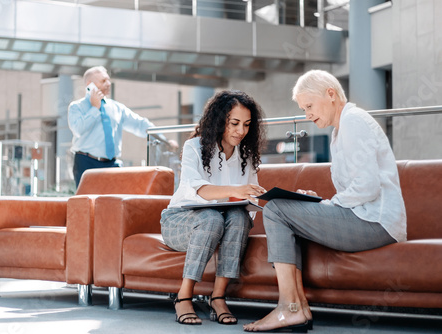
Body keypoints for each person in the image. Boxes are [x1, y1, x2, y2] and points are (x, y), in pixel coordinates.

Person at [243, 70, 407, 333]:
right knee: (281, 210)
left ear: (331, 94)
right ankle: (298, 309)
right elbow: (356, 189)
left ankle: (290, 308)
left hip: (375, 222)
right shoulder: (338, 131)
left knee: (274, 209)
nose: (306, 114)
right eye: (303, 108)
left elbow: (367, 186)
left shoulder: (353, 121)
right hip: (366, 217)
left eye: (309, 106)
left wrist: (326, 206)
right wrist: (317, 203)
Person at [160, 90, 267, 326]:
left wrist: (254, 196)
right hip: (179, 221)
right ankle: (183, 296)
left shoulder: (246, 155)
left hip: (225, 221)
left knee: (239, 217)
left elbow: (250, 199)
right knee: (211, 218)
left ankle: (218, 297)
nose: (241, 131)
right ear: (220, 121)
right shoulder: (193, 147)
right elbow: (197, 189)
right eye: (235, 123)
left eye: (247, 125)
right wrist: (235, 191)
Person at [68, 66, 176, 187]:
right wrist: (95, 108)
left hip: (112, 164)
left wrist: (164, 140)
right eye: (103, 81)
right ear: (90, 84)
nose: (108, 83)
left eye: (108, 80)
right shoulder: (76, 107)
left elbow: (140, 125)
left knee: (116, 201)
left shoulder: (117, 108)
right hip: (86, 163)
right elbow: (78, 130)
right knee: (87, 203)